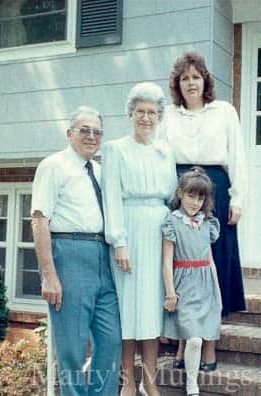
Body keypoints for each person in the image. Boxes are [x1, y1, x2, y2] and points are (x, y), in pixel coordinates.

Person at [158, 51, 247, 370]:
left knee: (213, 270)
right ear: (177, 84)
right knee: (185, 268)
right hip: (182, 193)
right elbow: (160, 159)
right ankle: (184, 343)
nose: (191, 83)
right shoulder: (169, 115)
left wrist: (238, 199)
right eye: (184, 78)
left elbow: (237, 156)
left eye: (196, 77)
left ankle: (209, 346)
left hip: (216, 192)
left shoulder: (223, 111)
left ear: (205, 80)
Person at [31, 106, 121, 396]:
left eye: (97, 132)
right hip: (69, 253)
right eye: (85, 130)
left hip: (102, 255)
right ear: (69, 134)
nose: (91, 136)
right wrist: (49, 275)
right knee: (72, 346)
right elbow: (39, 219)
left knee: (111, 340)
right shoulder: (53, 165)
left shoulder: (101, 170)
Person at [101, 82, 177, 396]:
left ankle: (150, 380)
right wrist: (118, 241)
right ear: (130, 113)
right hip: (129, 230)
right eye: (140, 111)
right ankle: (128, 382)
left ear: (159, 117)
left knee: (149, 309)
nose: (146, 118)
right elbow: (111, 198)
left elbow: (172, 194)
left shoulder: (165, 150)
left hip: (157, 229)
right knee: (128, 309)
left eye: (152, 112)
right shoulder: (115, 148)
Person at [162, 167, 222, 396]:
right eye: (190, 195)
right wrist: (170, 293)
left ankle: (192, 384)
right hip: (183, 285)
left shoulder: (207, 223)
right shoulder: (172, 222)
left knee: (199, 336)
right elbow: (167, 261)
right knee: (194, 339)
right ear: (180, 193)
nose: (195, 202)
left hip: (205, 285)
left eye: (200, 197)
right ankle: (192, 385)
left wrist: (217, 292)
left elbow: (210, 260)